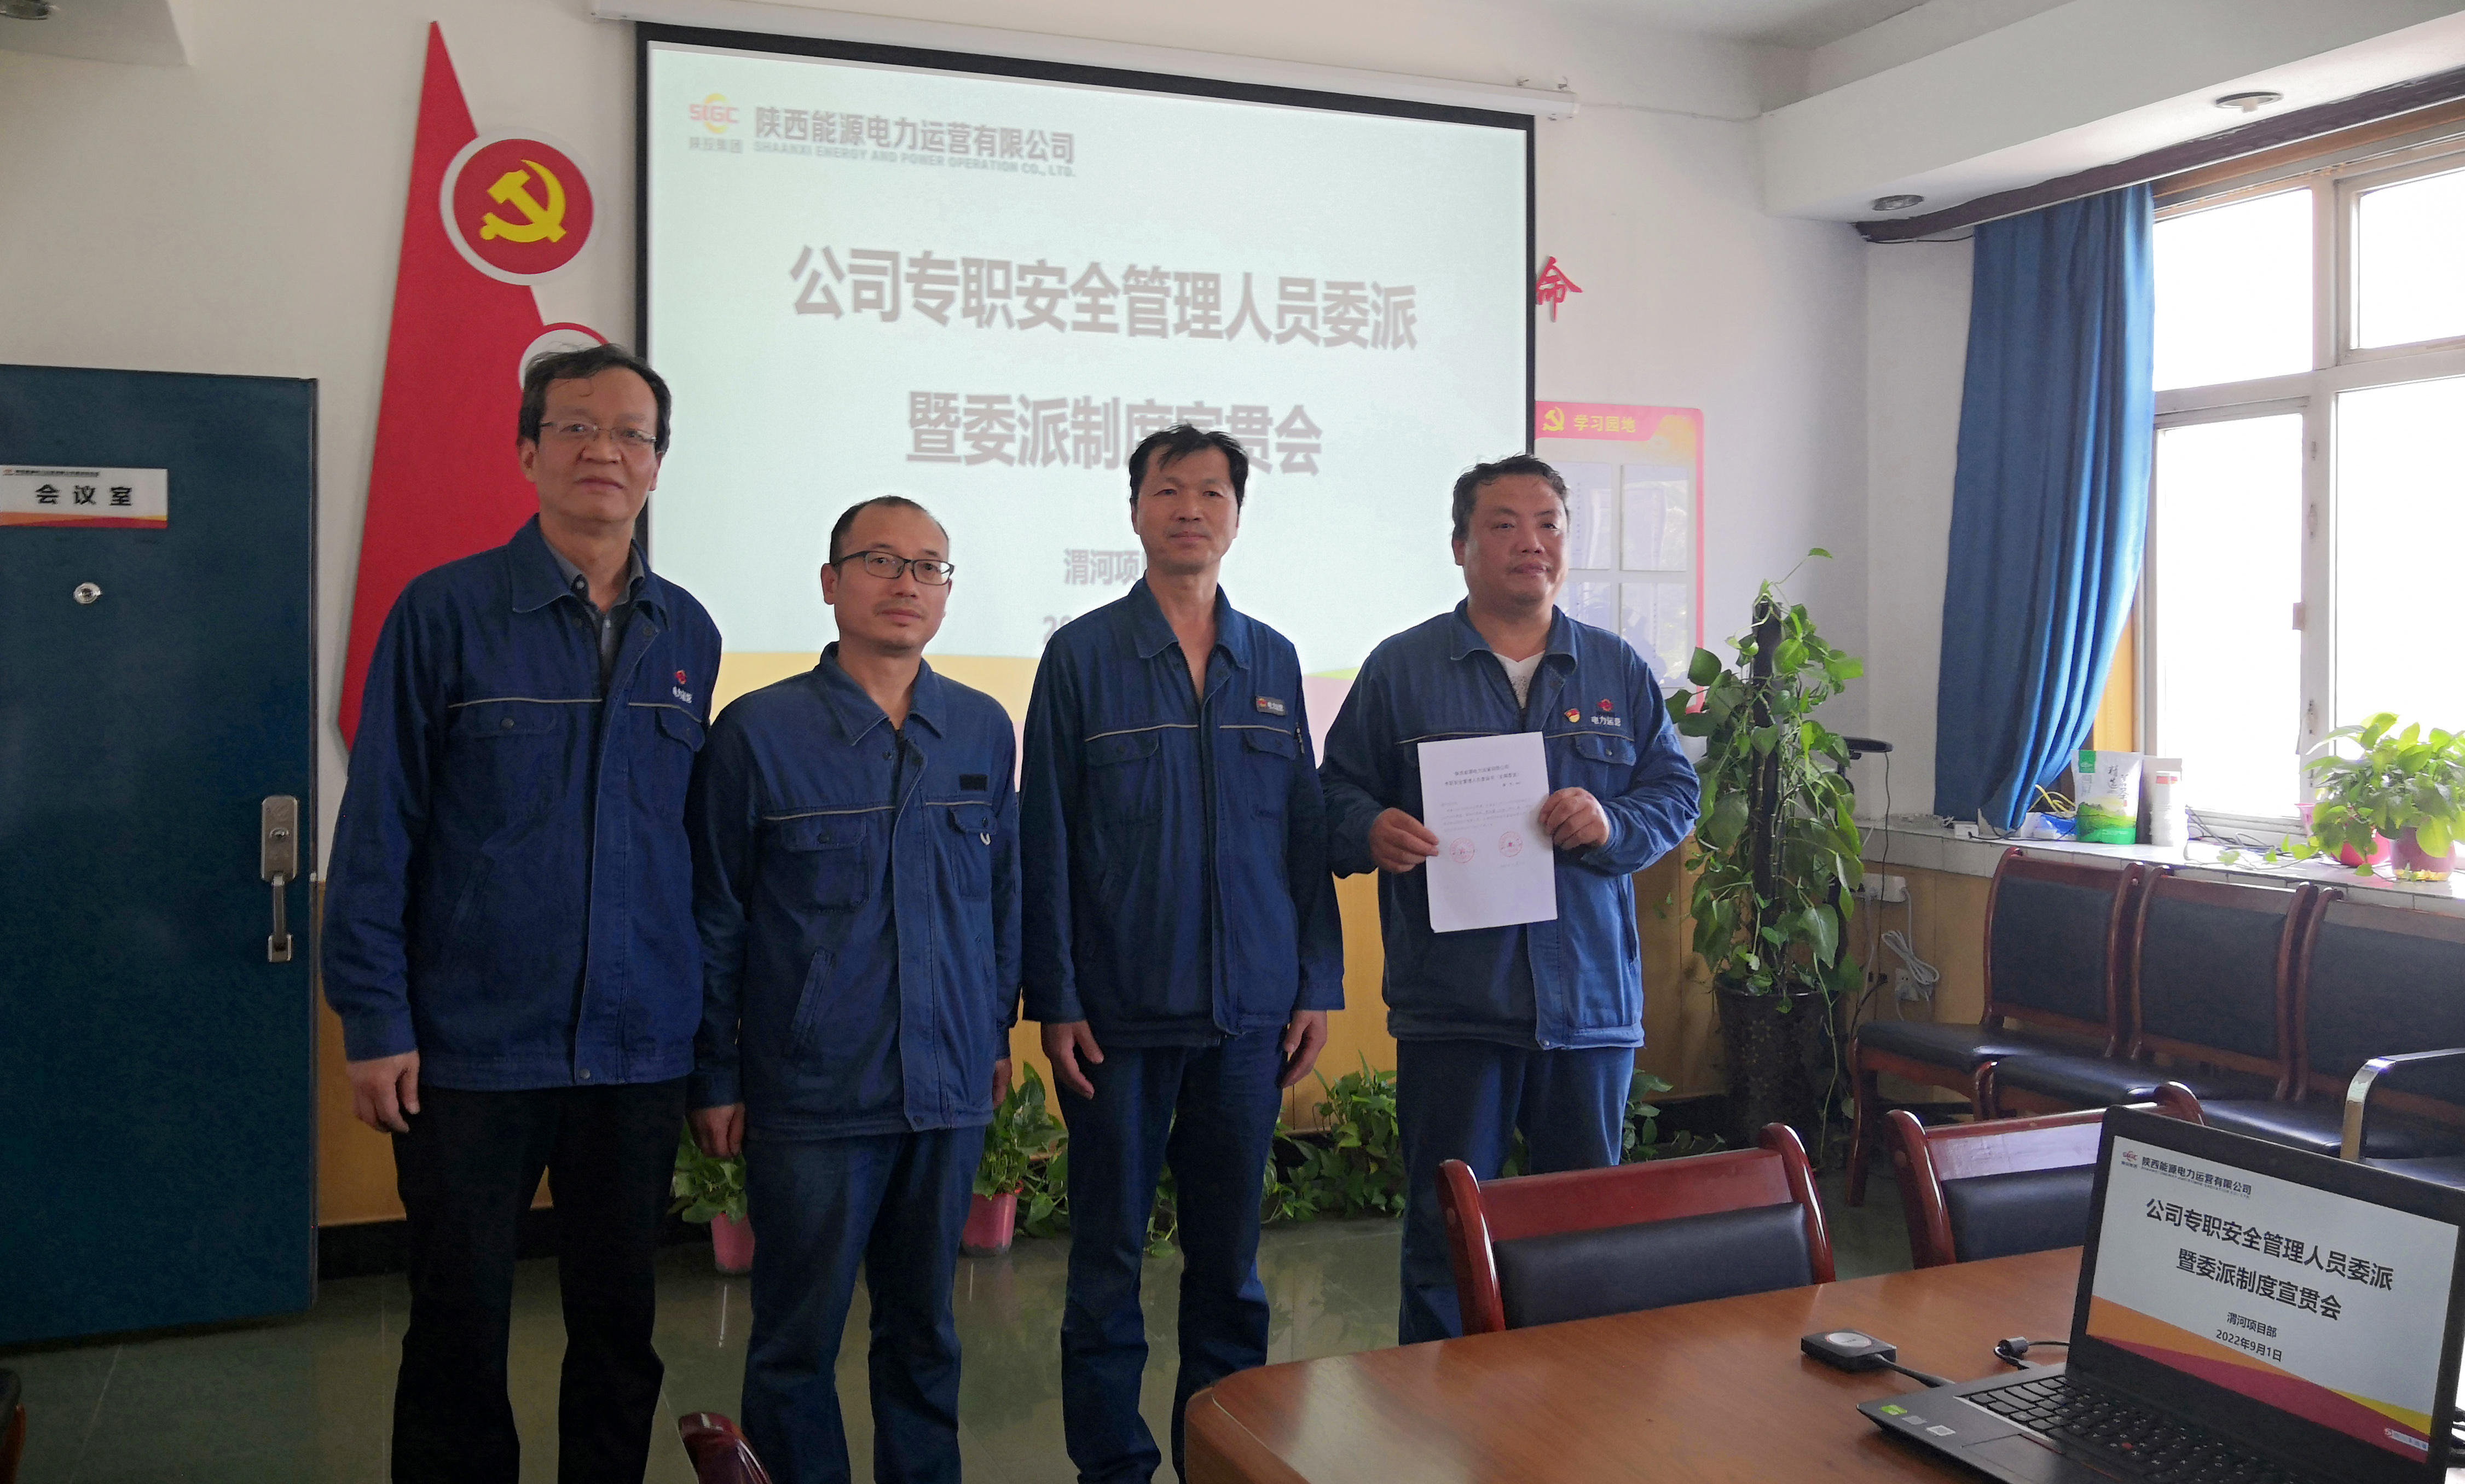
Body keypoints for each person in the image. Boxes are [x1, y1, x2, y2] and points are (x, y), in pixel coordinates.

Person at [323, 342, 721, 1482]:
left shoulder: (686, 632)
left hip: (637, 1048)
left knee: (620, 1326)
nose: (605, 450)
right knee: (458, 1328)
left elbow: (690, 854)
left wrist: (707, 1047)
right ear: (526, 451)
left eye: (632, 433)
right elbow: (382, 822)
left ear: (658, 463)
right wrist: (375, 1019)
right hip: (471, 1044)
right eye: (576, 427)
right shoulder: (445, 612)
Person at [1022, 424, 1344, 1483]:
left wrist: (1315, 980)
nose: (1190, 510)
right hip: (1116, 1019)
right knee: (1106, 1263)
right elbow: (1047, 837)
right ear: (1135, 512)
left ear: (1237, 518)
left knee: (1231, 1267)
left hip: (1249, 1018)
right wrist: (1055, 996)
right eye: (1169, 491)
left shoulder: (1273, 660)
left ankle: (1225, 1457)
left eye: (1212, 493)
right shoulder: (1082, 656)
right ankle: (1112, 1465)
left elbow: (1303, 834)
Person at [1318, 454, 1699, 1345]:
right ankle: (1441, 1411)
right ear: (1460, 546)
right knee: (1445, 1237)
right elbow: (1333, 794)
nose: (1532, 542)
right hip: (1456, 1007)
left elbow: (1675, 793)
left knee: (1585, 1238)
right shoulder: (1403, 668)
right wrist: (1371, 829)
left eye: (1549, 524)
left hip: (1590, 1008)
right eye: (1504, 524)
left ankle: (1573, 1411)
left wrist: (1612, 820)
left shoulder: (1615, 668)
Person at [686, 496, 1020, 1484]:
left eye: (929, 567)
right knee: (796, 1342)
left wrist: (993, 1035)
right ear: (831, 583)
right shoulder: (758, 732)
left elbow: (1002, 898)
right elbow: (716, 915)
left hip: (946, 1086)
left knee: (925, 1334)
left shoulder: (981, 727)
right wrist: (716, 1074)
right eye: (880, 561)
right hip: (813, 1093)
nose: (907, 583)